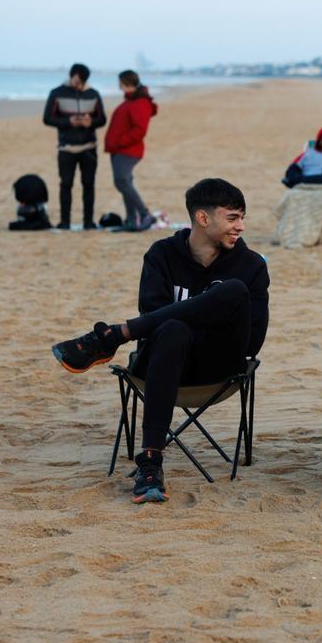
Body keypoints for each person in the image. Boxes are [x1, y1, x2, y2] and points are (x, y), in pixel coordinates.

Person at [51, 178, 270, 504]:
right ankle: (150, 462)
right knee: (172, 330)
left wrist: (205, 310)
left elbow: (252, 342)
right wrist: (204, 312)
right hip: (166, 362)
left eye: (242, 218)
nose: (240, 227)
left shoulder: (249, 265)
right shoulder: (162, 255)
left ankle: (113, 336)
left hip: (219, 365)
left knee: (233, 290)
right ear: (203, 218)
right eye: (232, 218)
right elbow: (156, 323)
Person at [42, 63, 106, 230]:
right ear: (71, 76)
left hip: (89, 147)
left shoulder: (94, 94)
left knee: (89, 184)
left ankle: (88, 222)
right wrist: (68, 122)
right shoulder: (56, 93)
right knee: (66, 184)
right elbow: (47, 118)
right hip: (66, 148)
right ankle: (65, 222)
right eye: (75, 80)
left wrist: (90, 122)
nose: (77, 84)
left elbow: (102, 120)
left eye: (81, 82)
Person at [104, 70, 159, 231]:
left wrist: (120, 142)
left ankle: (144, 214)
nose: (118, 85)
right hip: (119, 150)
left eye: (120, 82)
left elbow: (140, 129)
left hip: (128, 150)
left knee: (121, 181)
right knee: (125, 182)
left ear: (126, 82)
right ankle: (130, 220)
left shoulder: (140, 102)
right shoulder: (131, 100)